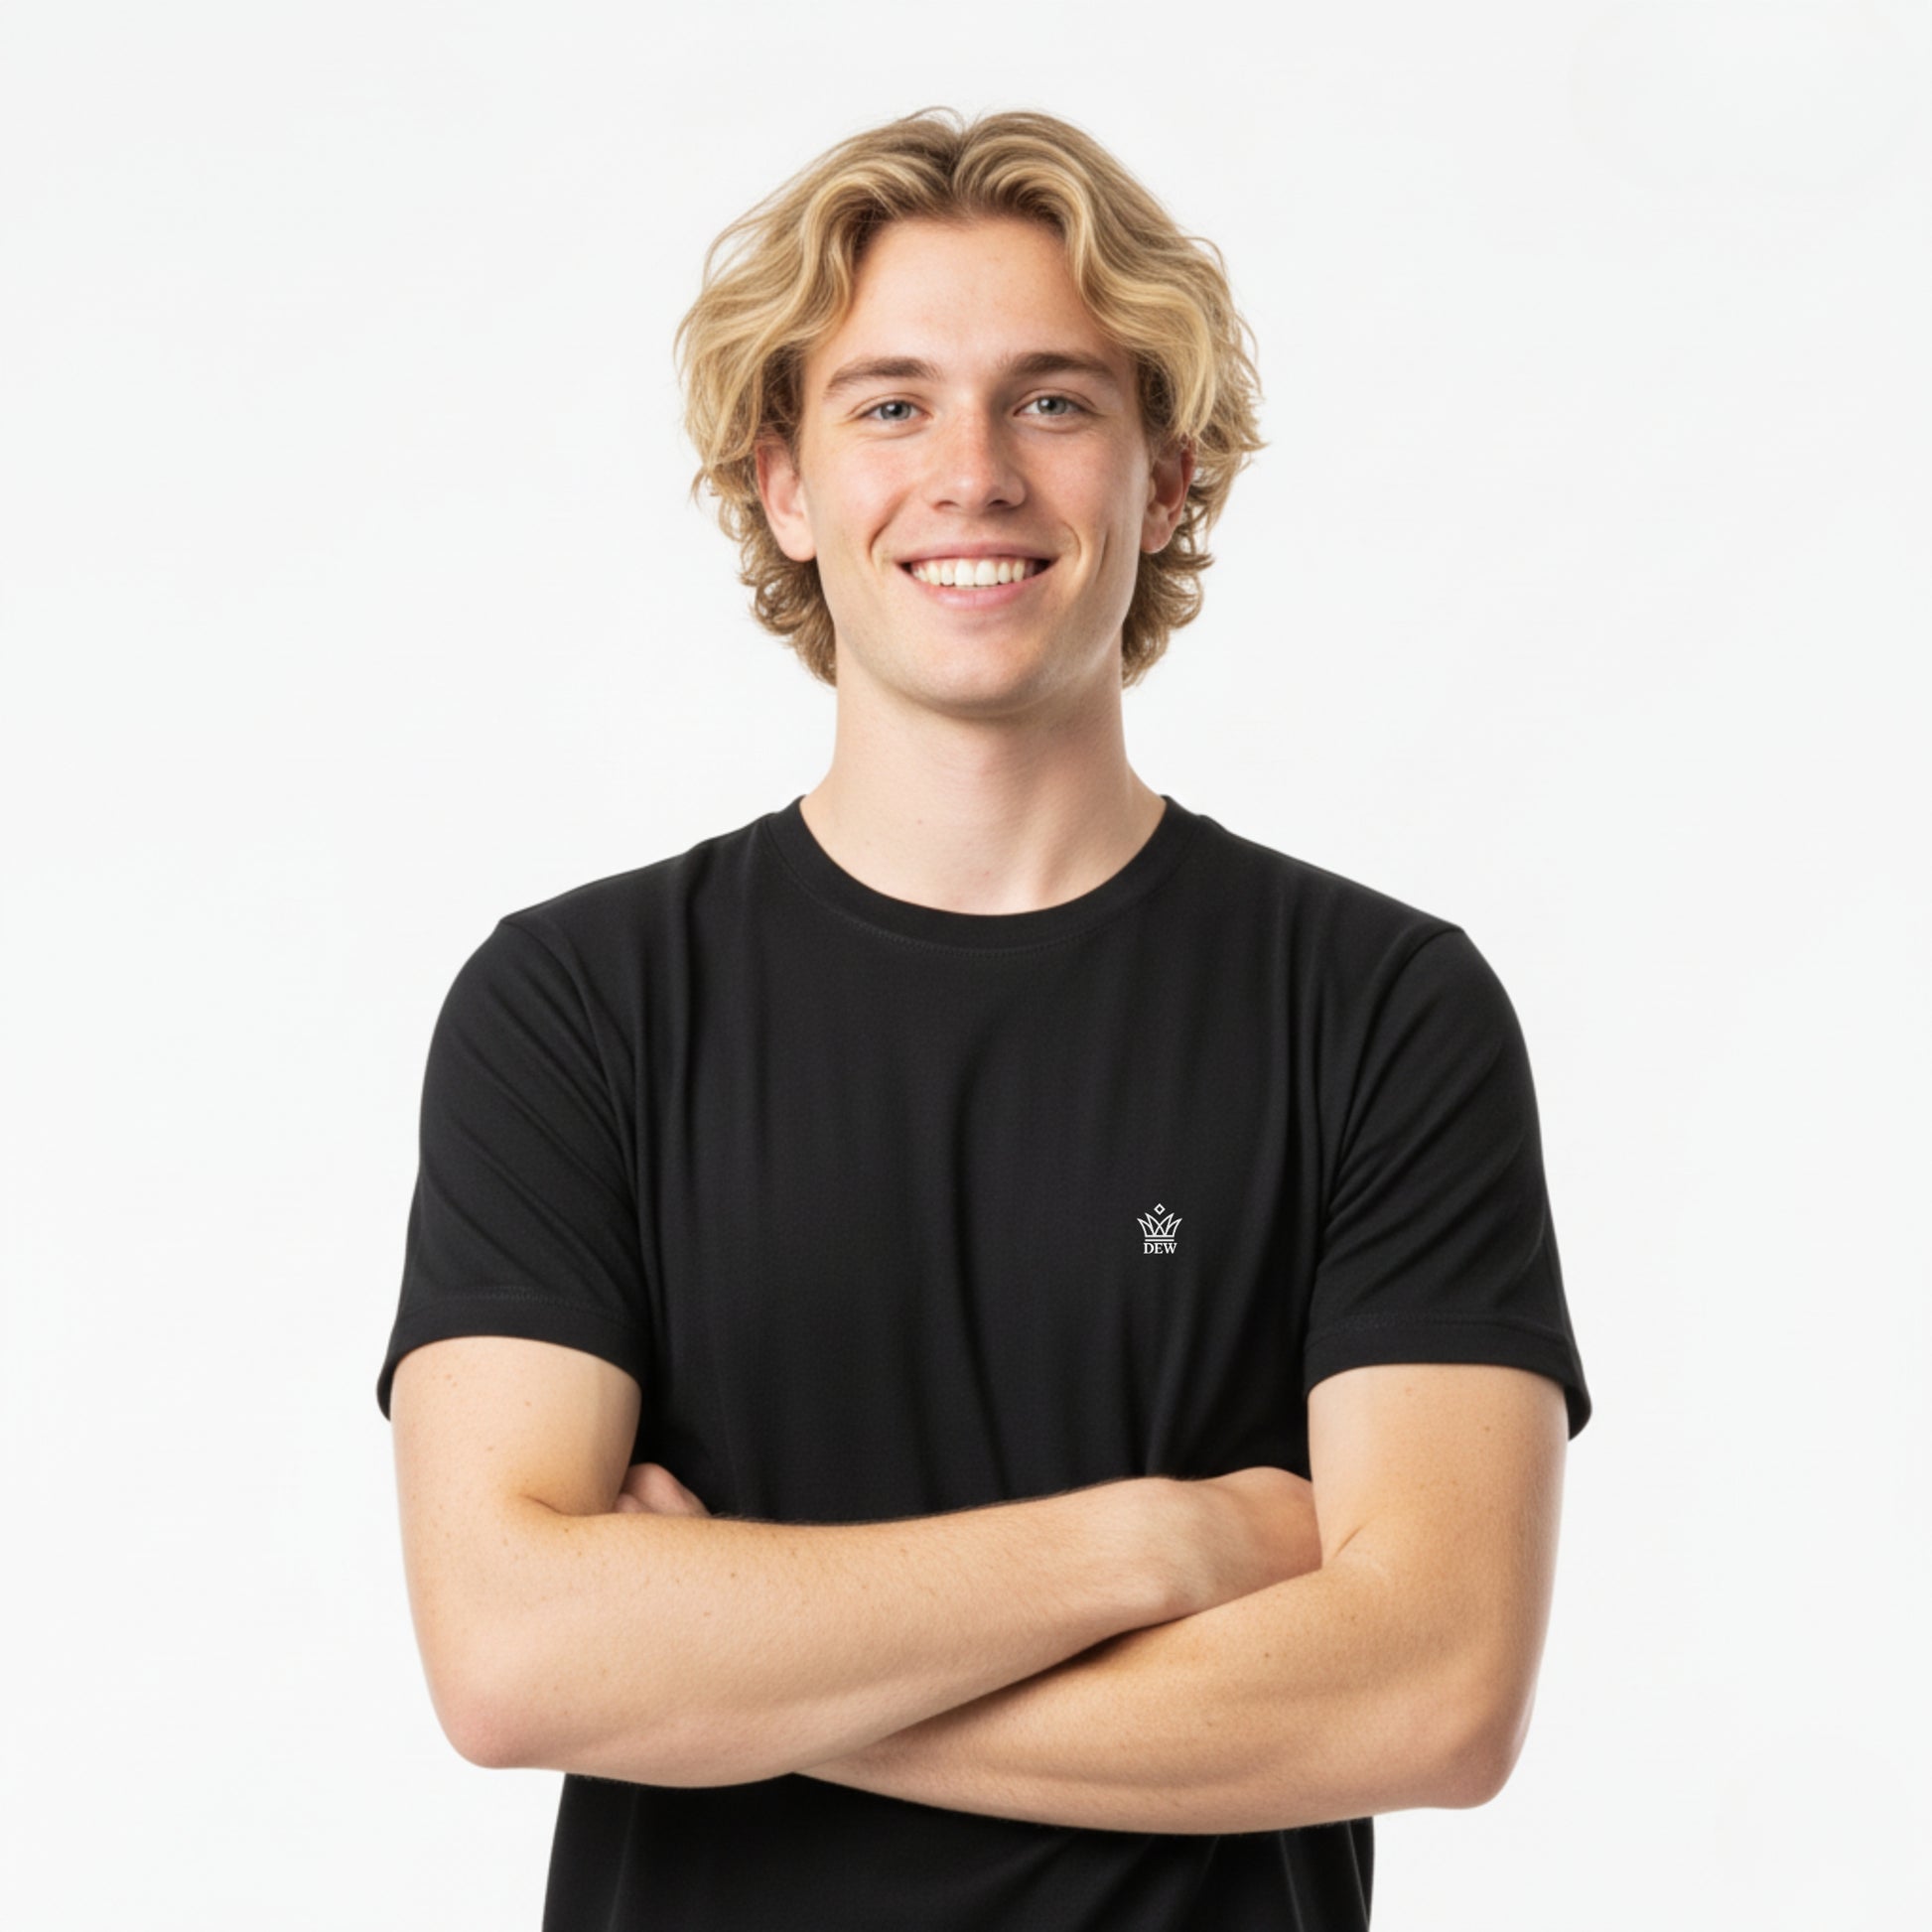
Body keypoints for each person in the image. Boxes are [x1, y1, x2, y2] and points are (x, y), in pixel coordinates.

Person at [375, 105, 1591, 1932]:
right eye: (887, 404)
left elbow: (1431, 1690)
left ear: (1164, 475)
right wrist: (1155, 1542)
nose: (971, 474)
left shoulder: (1379, 1008)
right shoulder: (575, 1008)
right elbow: (514, 1659)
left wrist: (728, 1678)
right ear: (780, 481)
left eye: (1051, 399)